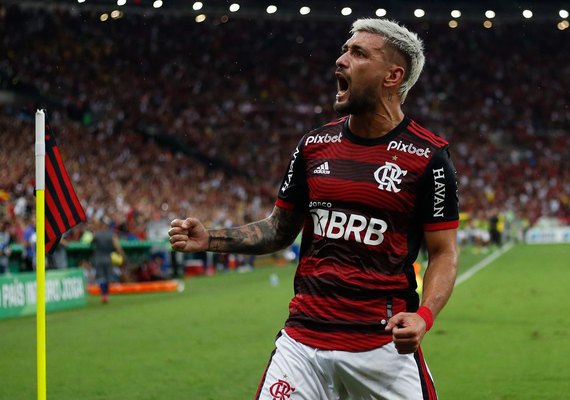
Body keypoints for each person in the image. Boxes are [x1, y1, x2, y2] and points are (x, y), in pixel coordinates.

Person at [169, 18, 459, 400]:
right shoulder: (314, 145)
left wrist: (424, 316)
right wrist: (212, 239)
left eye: (358, 53)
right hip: (303, 344)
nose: (340, 60)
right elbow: (278, 229)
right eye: (344, 49)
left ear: (393, 76)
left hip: (382, 347)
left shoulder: (429, 157)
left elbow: (444, 253)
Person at [91, 218, 125, 304]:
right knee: (107, 278)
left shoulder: (97, 234)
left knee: (101, 278)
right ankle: (106, 295)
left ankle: (103, 295)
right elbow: (117, 247)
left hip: (98, 258)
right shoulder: (111, 234)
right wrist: (122, 255)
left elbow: (91, 242)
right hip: (108, 258)